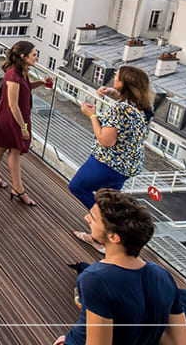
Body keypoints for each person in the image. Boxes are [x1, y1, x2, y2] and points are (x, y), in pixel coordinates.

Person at [55, 189, 186, 345]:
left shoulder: (95, 279)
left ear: (113, 237)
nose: (86, 218)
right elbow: (179, 342)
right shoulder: (162, 276)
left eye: (93, 218)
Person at [70, 66, 155, 253]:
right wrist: (113, 93)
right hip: (128, 165)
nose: (114, 78)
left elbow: (106, 140)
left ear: (124, 83)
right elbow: (128, 107)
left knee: (77, 187)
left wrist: (91, 115)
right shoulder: (145, 106)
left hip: (108, 163)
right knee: (109, 202)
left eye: (116, 77)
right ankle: (100, 238)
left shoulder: (120, 110)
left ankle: (105, 228)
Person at [0, 40, 44, 207]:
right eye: (34, 54)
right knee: (14, 150)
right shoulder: (13, 75)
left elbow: (25, 88)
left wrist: (41, 83)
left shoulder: (21, 72)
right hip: (11, 117)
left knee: (1, 146)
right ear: (23, 56)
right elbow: (12, 104)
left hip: (15, 117)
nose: (36, 57)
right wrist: (23, 128)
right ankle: (18, 189)